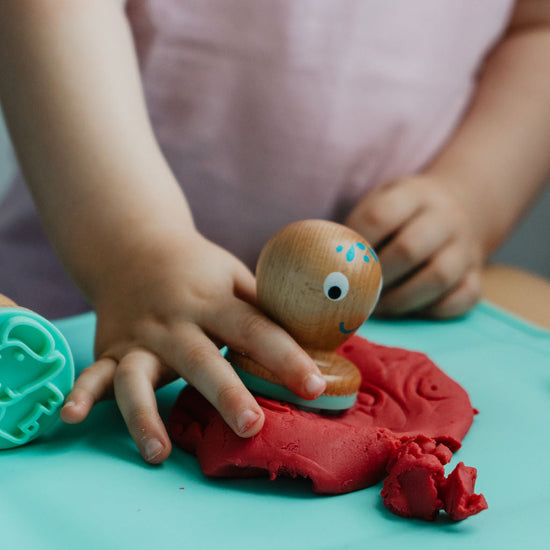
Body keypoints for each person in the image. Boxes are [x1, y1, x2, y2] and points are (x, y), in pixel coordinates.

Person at [0, 0, 549, 464]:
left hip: (404, 309)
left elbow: (538, 26)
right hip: (71, 329)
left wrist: (472, 195)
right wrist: (133, 249)